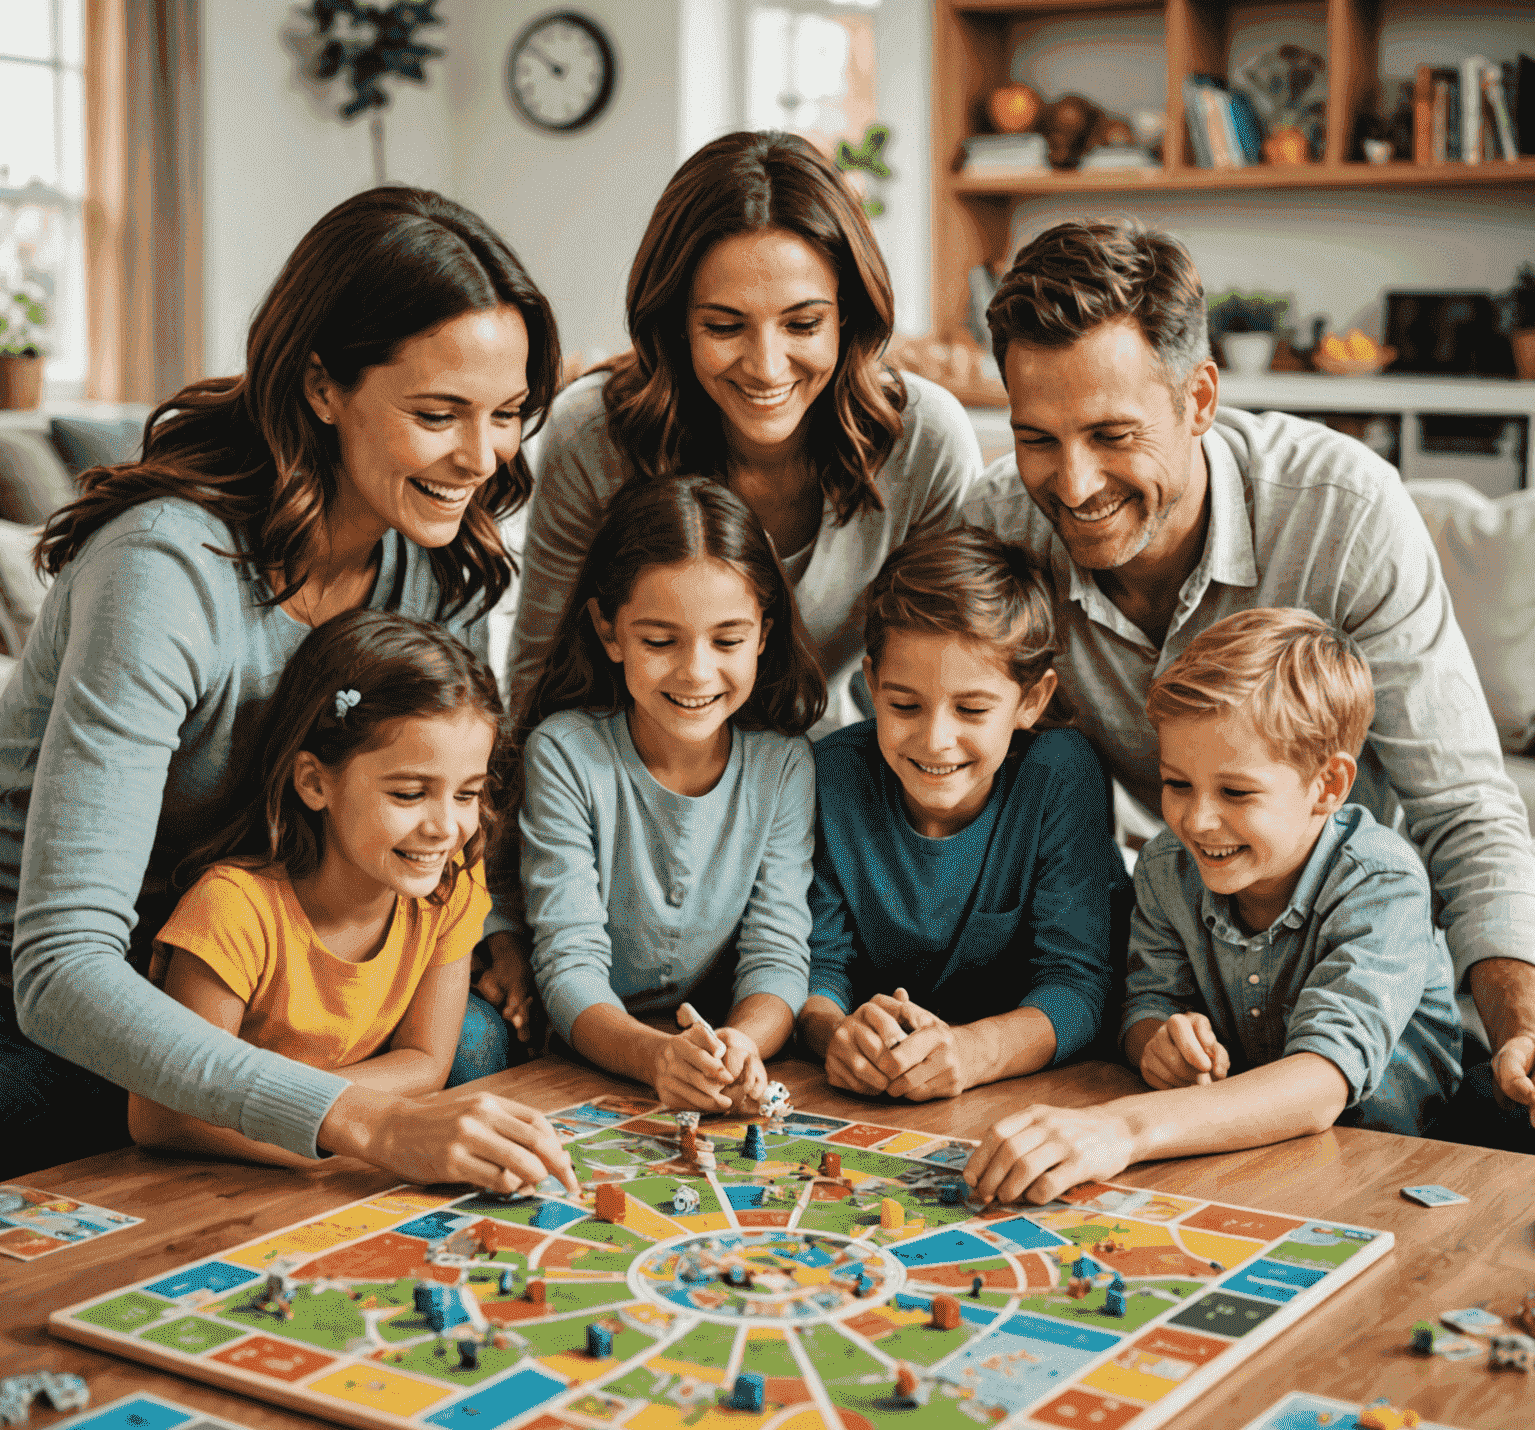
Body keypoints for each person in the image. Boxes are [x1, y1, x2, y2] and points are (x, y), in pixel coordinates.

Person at [0, 186, 571, 1188]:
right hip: (75, 993)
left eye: (509, 415)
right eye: (438, 415)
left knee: (475, 1049)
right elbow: (60, 969)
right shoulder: (163, 571)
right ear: (321, 386)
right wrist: (355, 1119)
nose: (481, 461)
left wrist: (499, 933)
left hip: (271, 974)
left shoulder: (436, 562)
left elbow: (441, 801)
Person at [961, 219, 1535, 1146]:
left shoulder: (1343, 511)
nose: (1071, 485)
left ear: (1199, 399)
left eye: (1112, 435)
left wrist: (1520, 1028)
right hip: (1187, 980)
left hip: (1347, 987)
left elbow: (1464, 805)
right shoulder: (995, 530)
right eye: (1037, 438)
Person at [963, 610, 1463, 1205]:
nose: (1196, 821)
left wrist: (1121, 1127)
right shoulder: (1165, 867)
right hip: (1240, 1154)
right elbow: (1147, 1005)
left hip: (1396, 1170)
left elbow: (1320, 1083)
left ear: (1328, 787)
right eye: (1177, 784)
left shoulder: (1383, 883)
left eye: (1236, 792)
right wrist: (1156, 1044)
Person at [507, 129, 982, 735]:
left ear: (849, 315)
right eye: (726, 326)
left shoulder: (925, 438)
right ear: (676, 321)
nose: (766, 365)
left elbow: (956, 678)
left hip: (818, 770)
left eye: (803, 324)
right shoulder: (591, 434)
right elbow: (538, 685)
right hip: (632, 779)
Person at [130, 611, 576, 1195]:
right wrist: (354, 1123)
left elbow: (426, 1060)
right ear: (315, 782)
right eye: (410, 793)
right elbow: (163, 1114)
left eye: (468, 793)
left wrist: (333, 1122)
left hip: (336, 1170)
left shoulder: (449, 887)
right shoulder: (232, 911)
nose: (446, 827)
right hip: (212, 1186)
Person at [515, 473, 825, 1113]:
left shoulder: (784, 764)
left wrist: (743, 1042)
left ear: (764, 635)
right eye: (660, 641)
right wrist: (655, 1056)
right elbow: (568, 968)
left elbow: (778, 956)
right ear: (609, 633)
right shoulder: (565, 754)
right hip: (583, 1067)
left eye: (729, 640)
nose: (696, 672)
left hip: (710, 1066)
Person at [799, 526, 1127, 1100]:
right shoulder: (831, 776)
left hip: (1023, 1094)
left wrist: (974, 1051)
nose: (935, 740)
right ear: (871, 686)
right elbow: (814, 966)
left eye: (972, 709)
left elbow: (1078, 986)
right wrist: (835, 1035)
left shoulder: (1061, 774)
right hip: (872, 1097)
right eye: (904, 705)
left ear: (1032, 700)